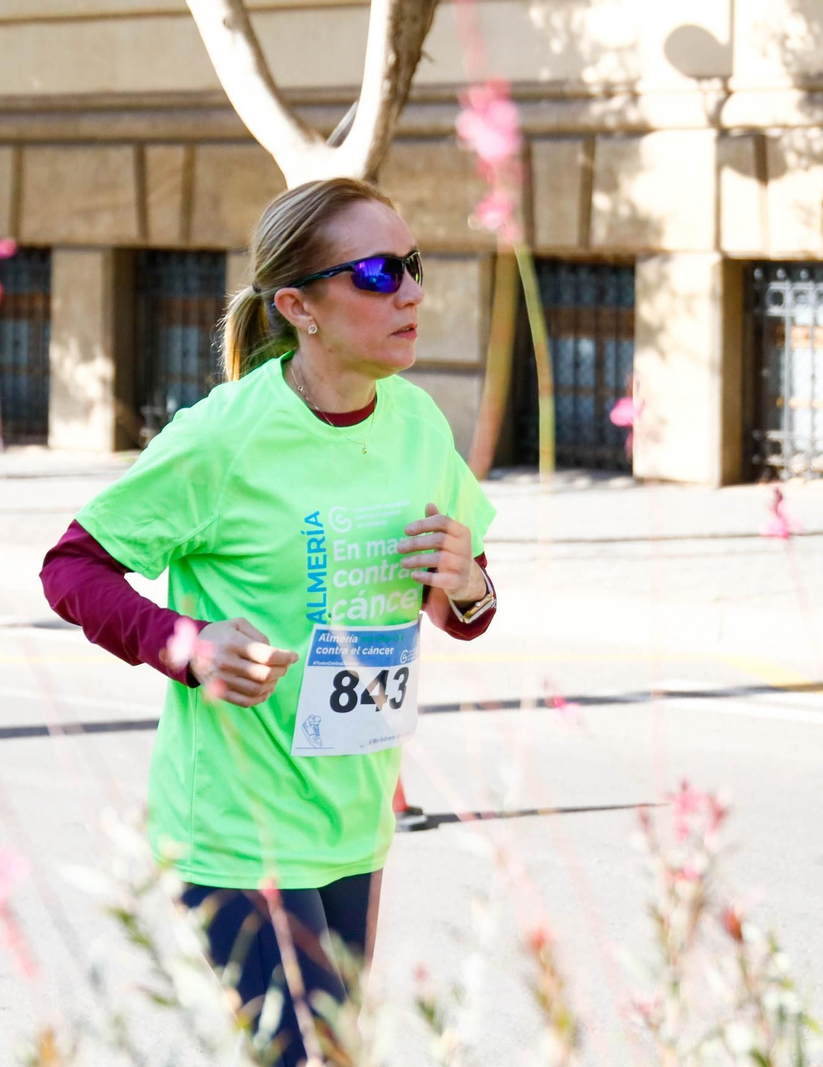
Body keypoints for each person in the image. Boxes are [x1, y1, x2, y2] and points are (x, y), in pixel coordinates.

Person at [40, 177, 498, 1066]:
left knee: (336, 1052)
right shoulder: (224, 439)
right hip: (237, 831)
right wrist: (186, 643)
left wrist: (468, 582)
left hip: (354, 818)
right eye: (375, 271)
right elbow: (71, 566)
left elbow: (461, 608)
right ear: (299, 306)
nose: (409, 291)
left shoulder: (416, 424)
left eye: (413, 264)